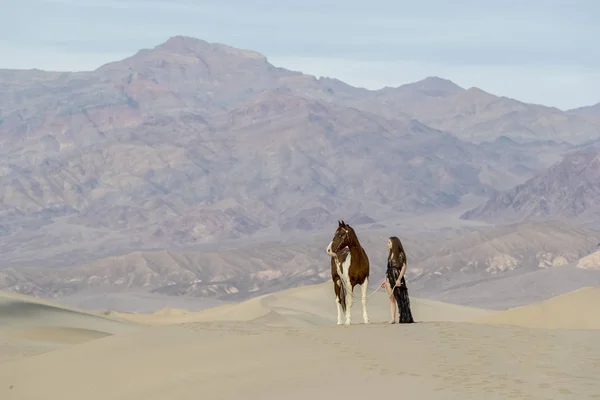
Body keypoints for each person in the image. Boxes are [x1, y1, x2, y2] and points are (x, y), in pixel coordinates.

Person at [380, 236, 414, 324]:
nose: (387, 245)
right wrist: (386, 280)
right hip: (389, 279)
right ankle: (392, 318)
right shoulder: (390, 255)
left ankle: (404, 317)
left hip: (397, 279)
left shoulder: (400, 254)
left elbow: (403, 266)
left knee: (401, 298)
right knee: (391, 298)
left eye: (389, 243)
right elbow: (389, 268)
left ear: (394, 244)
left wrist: (399, 279)